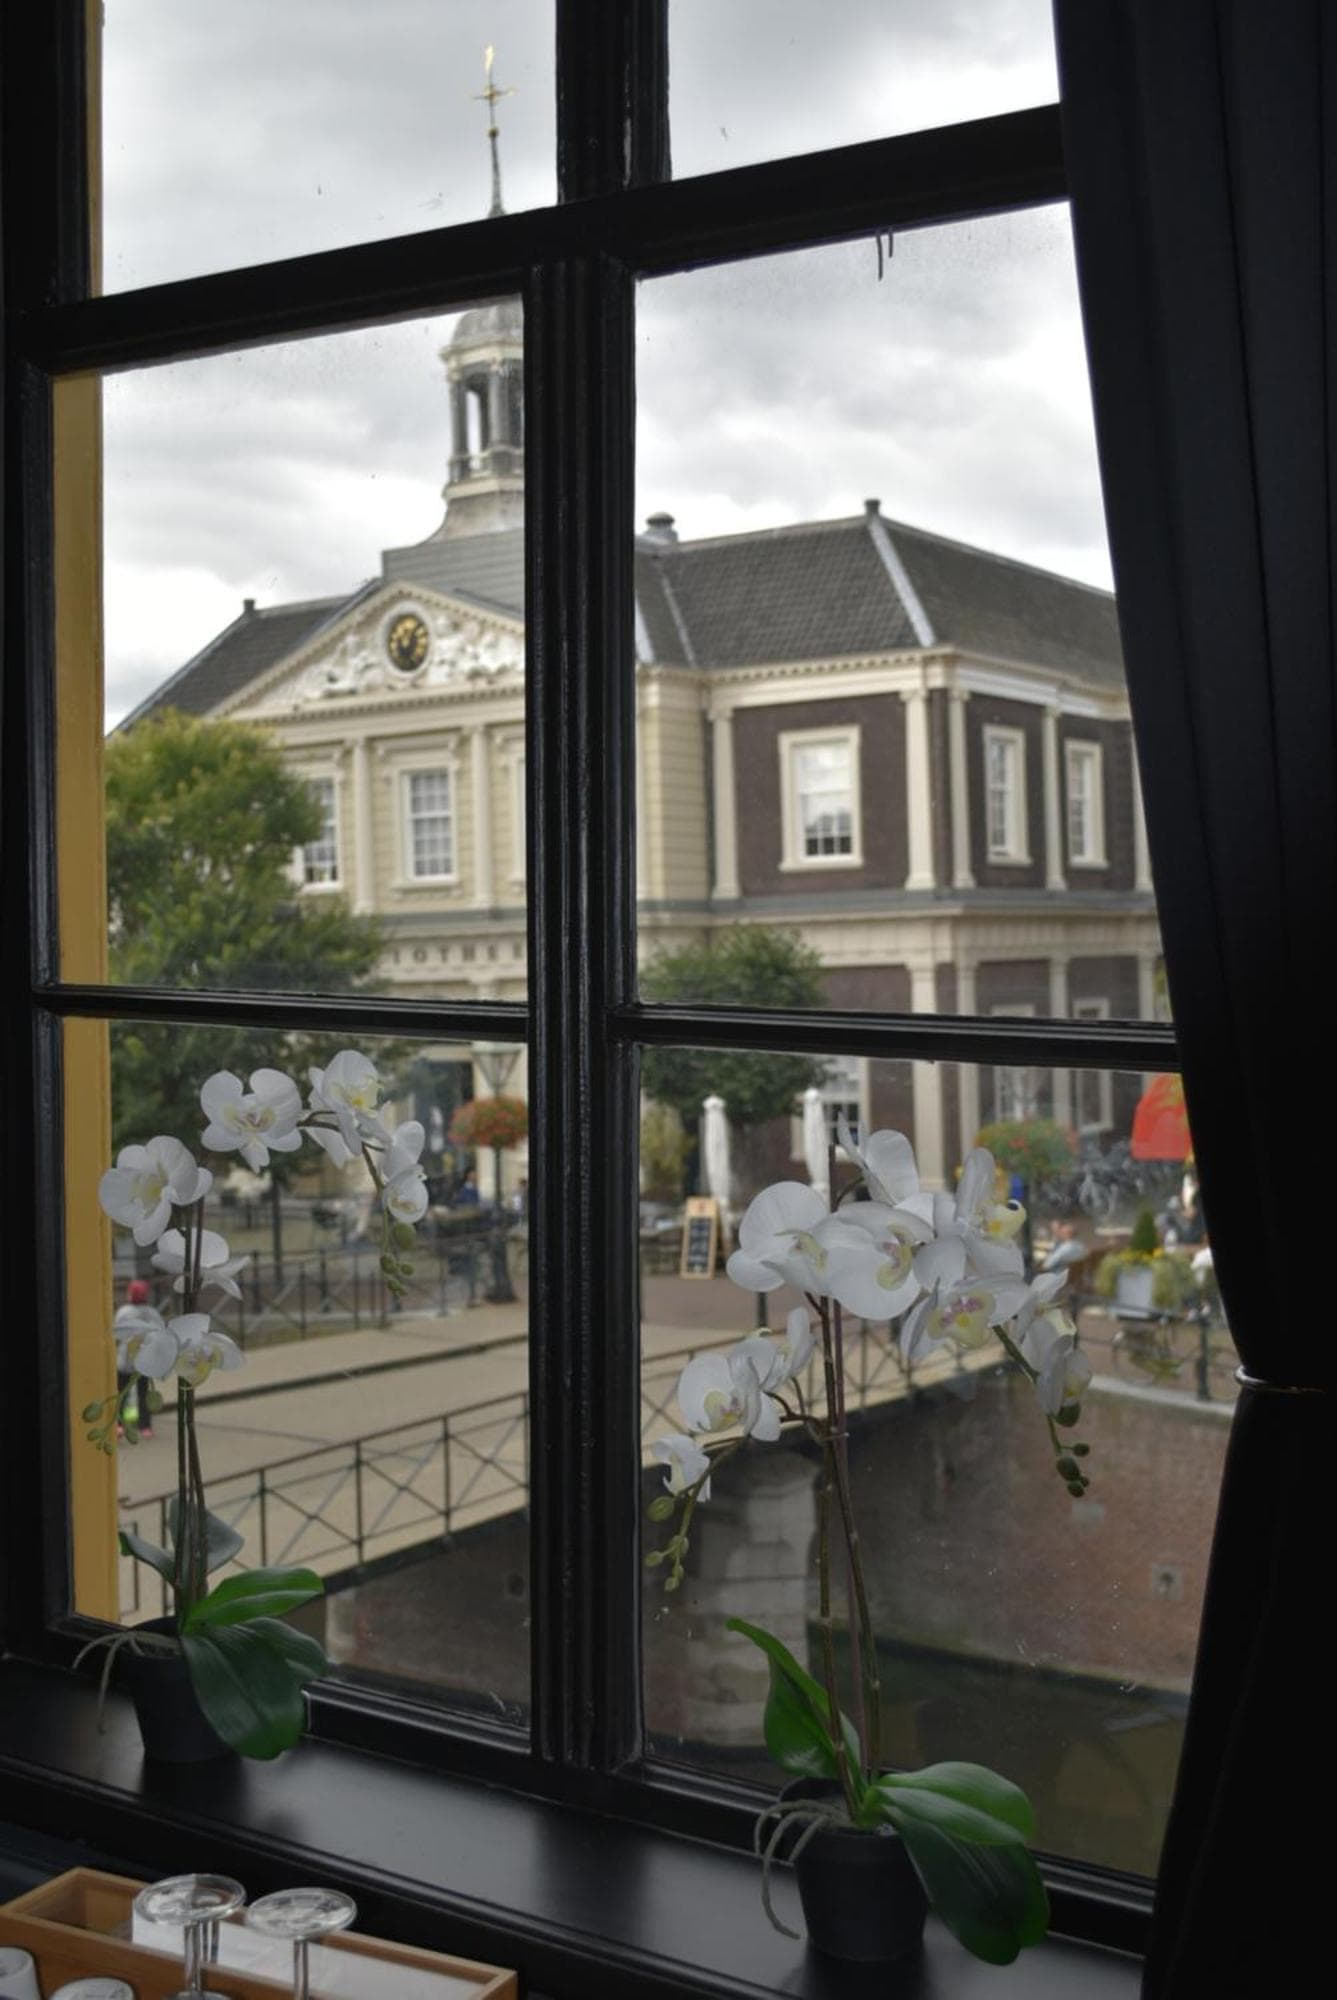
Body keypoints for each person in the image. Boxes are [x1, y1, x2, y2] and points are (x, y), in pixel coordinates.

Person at [114, 1276, 156, 1438]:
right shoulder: (151, 1313)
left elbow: (116, 1332)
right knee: (143, 1394)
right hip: (144, 1361)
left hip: (125, 1359)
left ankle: (118, 1424)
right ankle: (145, 1426)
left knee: (121, 1393)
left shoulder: (124, 1312)